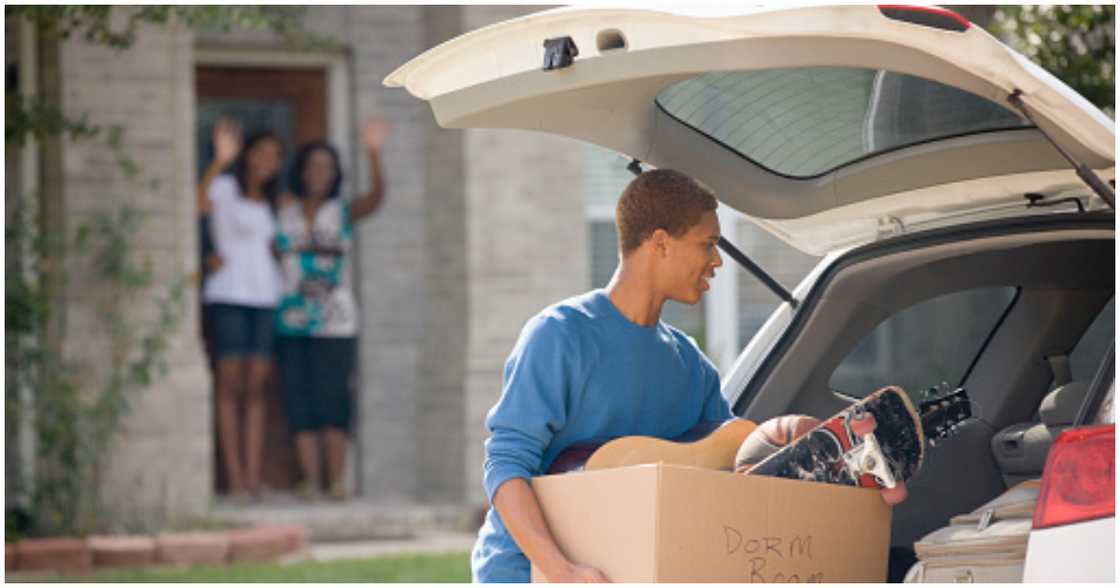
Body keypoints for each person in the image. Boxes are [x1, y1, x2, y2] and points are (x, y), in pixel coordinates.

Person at [472, 169, 729, 583]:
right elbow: (505, 466)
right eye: (708, 244)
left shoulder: (691, 365)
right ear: (660, 242)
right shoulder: (559, 335)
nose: (716, 261)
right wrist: (563, 572)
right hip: (528, 575)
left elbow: (733, 460)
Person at [273, 120, 391, 501]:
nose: (317, 173)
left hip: (336, 322)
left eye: (325, 166)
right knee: (298, 398)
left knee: (334, 399)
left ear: (335, 172)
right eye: (311, 165)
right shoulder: (283, 211)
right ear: (300, 171)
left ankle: (336, 481)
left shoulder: (342, 211)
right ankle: (309, 481)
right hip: (290, 319)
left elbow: (376, 198)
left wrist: (374, 152)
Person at [197, 118, 284, 503]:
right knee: (229, 387)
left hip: (265, 298)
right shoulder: (224, 187)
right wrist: (219, 161)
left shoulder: (274, 202)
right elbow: (197, 205)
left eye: (276, 156)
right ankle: (233, 478)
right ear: (247, 155)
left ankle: (252, 477)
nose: (269, 161)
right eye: (263, 152)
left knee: (257, 390)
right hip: (228, 295)